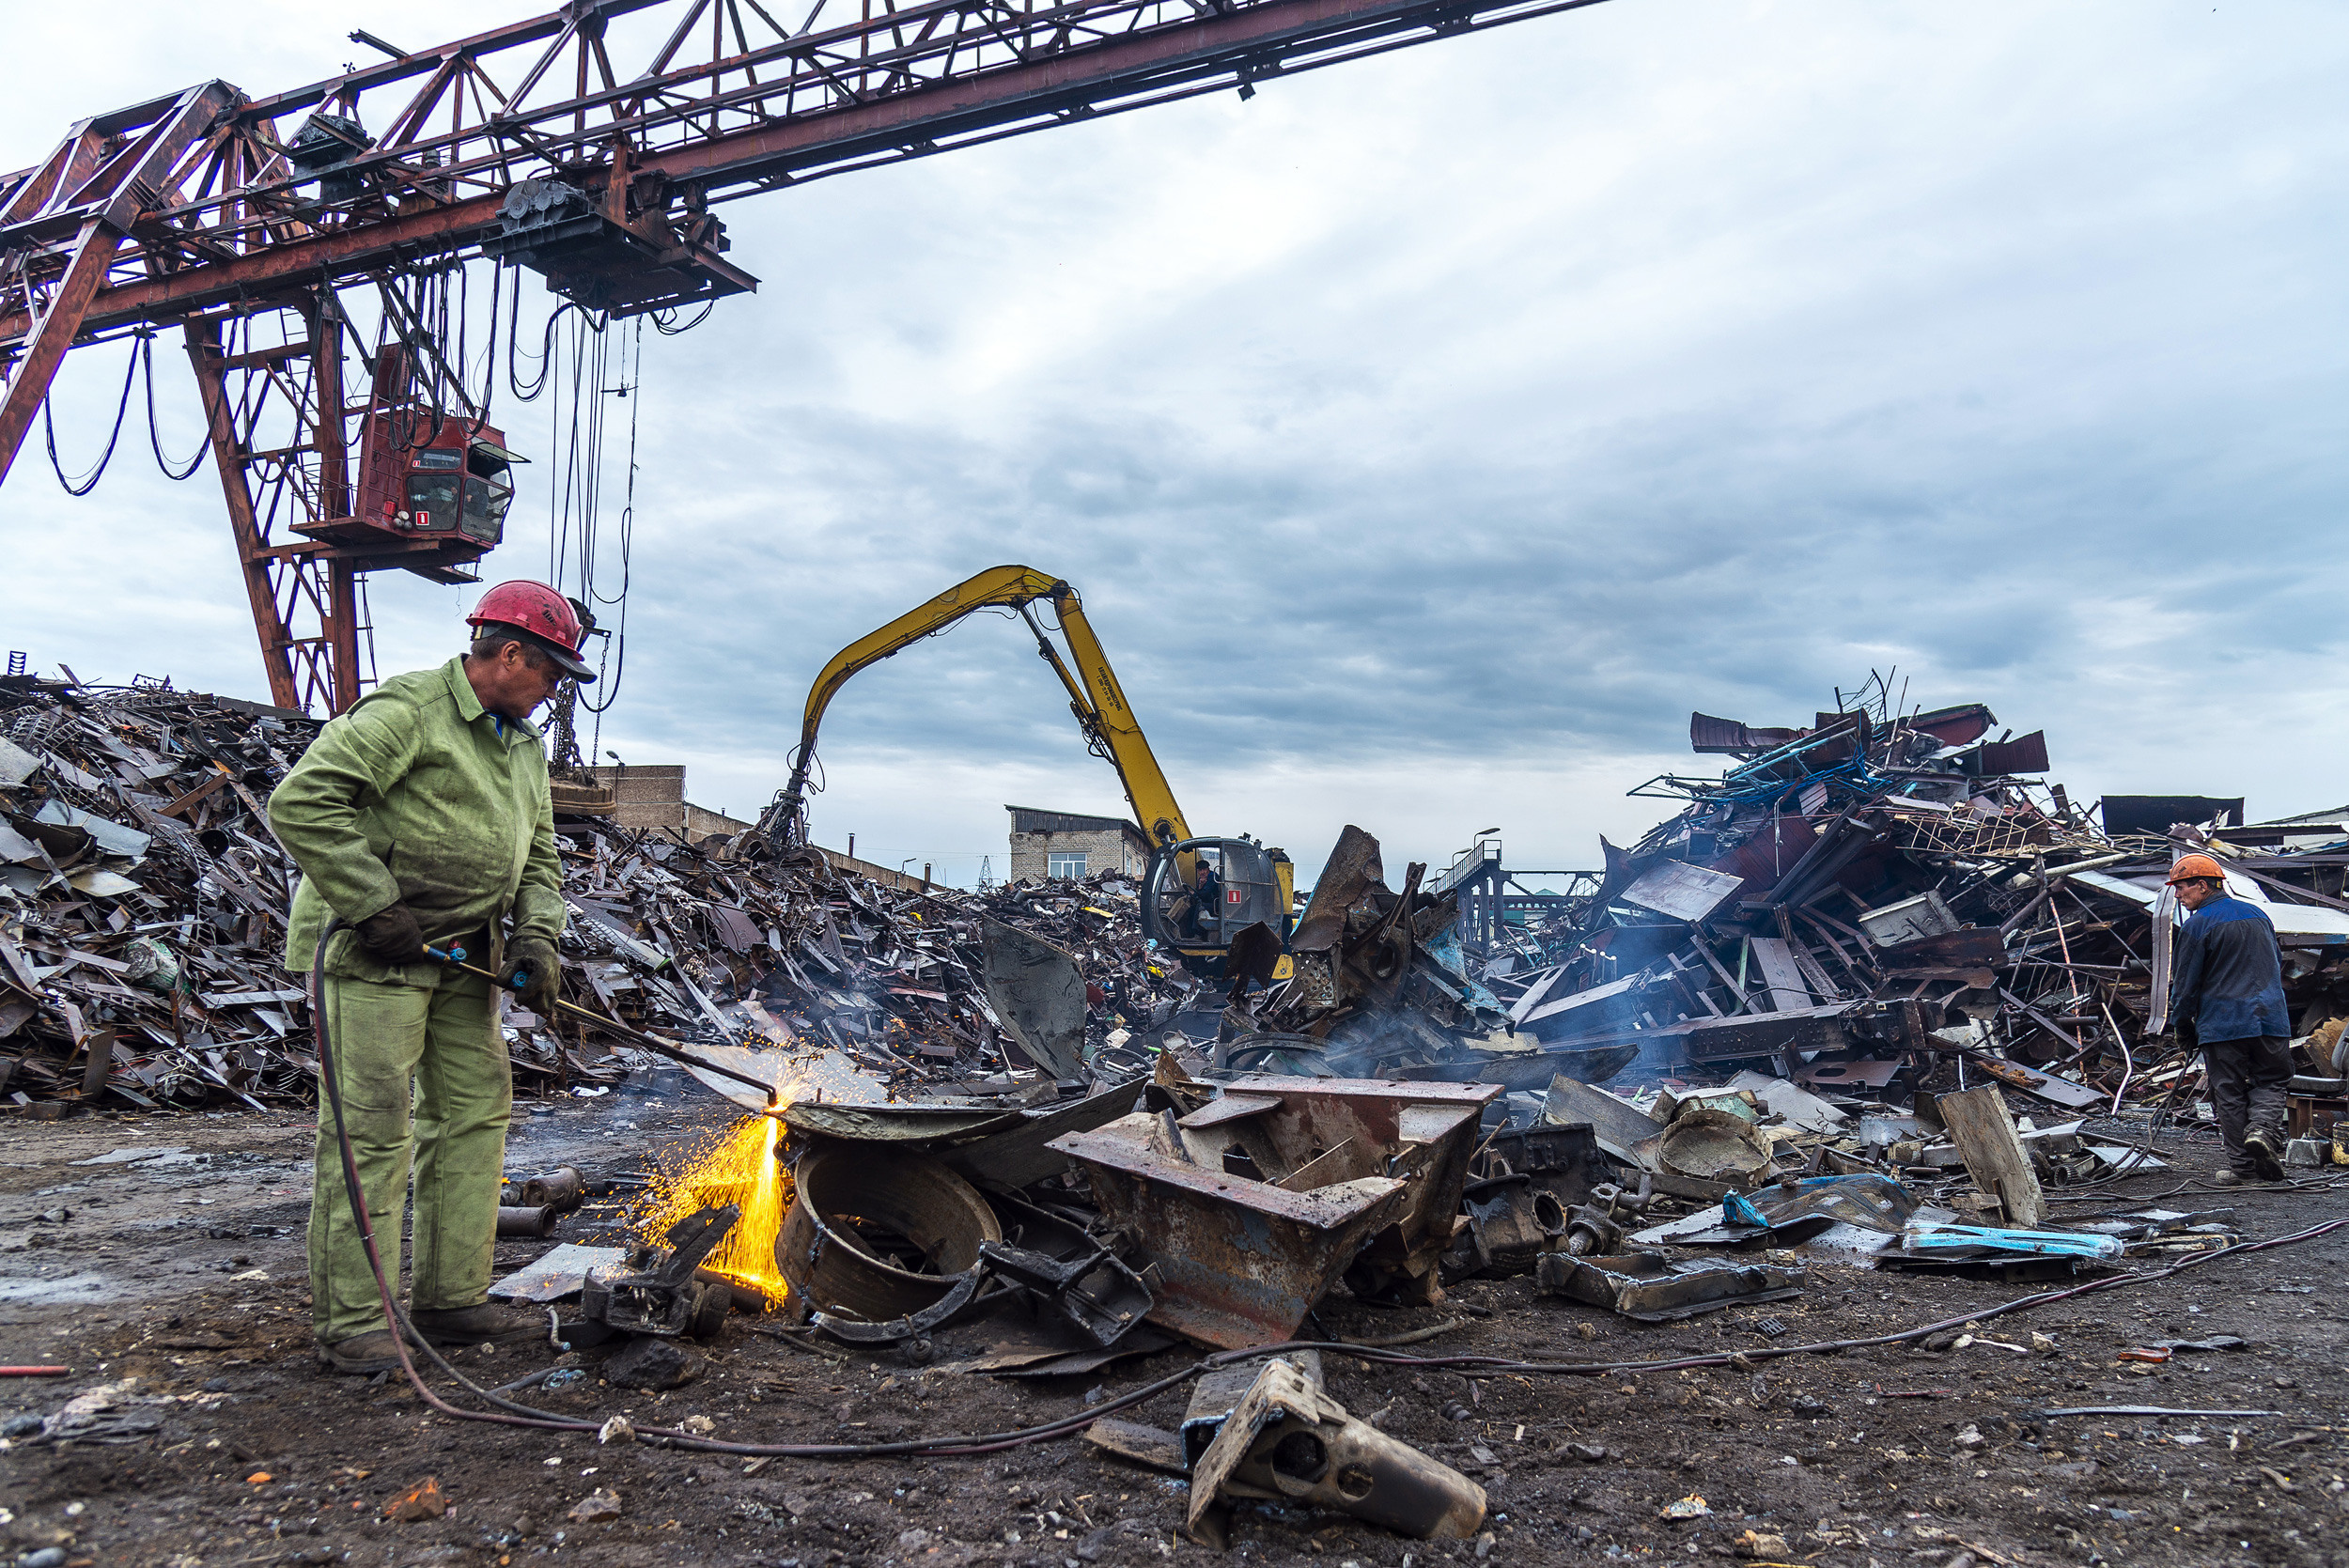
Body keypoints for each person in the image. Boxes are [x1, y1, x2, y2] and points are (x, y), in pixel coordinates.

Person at [270, 581, 595, 1373]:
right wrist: (372, 902)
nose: (555, 693)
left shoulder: (521, 746)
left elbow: (539, 856)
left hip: (462, 955)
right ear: (510, 654)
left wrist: (537, 936)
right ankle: (353, 1323)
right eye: (552, 674)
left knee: (475, 1112)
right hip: (376, 951)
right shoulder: (412, 710)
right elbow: (303, 801)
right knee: (372, 1130)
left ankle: (451, 1299)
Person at [2166, 852, 2291, 1185]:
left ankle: (2244, 1168)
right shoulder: (2258, 915)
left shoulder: (2197, 926)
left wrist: (2182, 1026)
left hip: (2224, 1023)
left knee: (2229, 1092)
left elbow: (2185, 985)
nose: (2177, 895)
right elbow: (2276, 962)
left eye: (2181, 887)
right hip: (2271, 1020)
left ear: (2202, 885)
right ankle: (2261, 1131)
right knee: (2272, 1080)